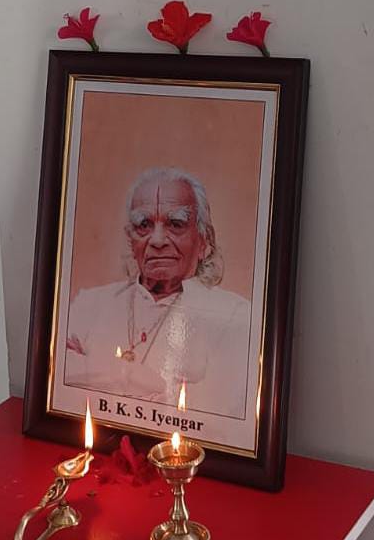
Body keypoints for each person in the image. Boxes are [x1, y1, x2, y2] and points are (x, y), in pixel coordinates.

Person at [65, 167, 252, 418]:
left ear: (204, 240)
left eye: (176, 224)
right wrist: (151, 384)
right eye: (143, 224)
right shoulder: (90, 303)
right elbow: (58, 379)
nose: (158, 240)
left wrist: (95, 372)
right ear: (131, 240)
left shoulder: (234, 317)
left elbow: (213, 415)